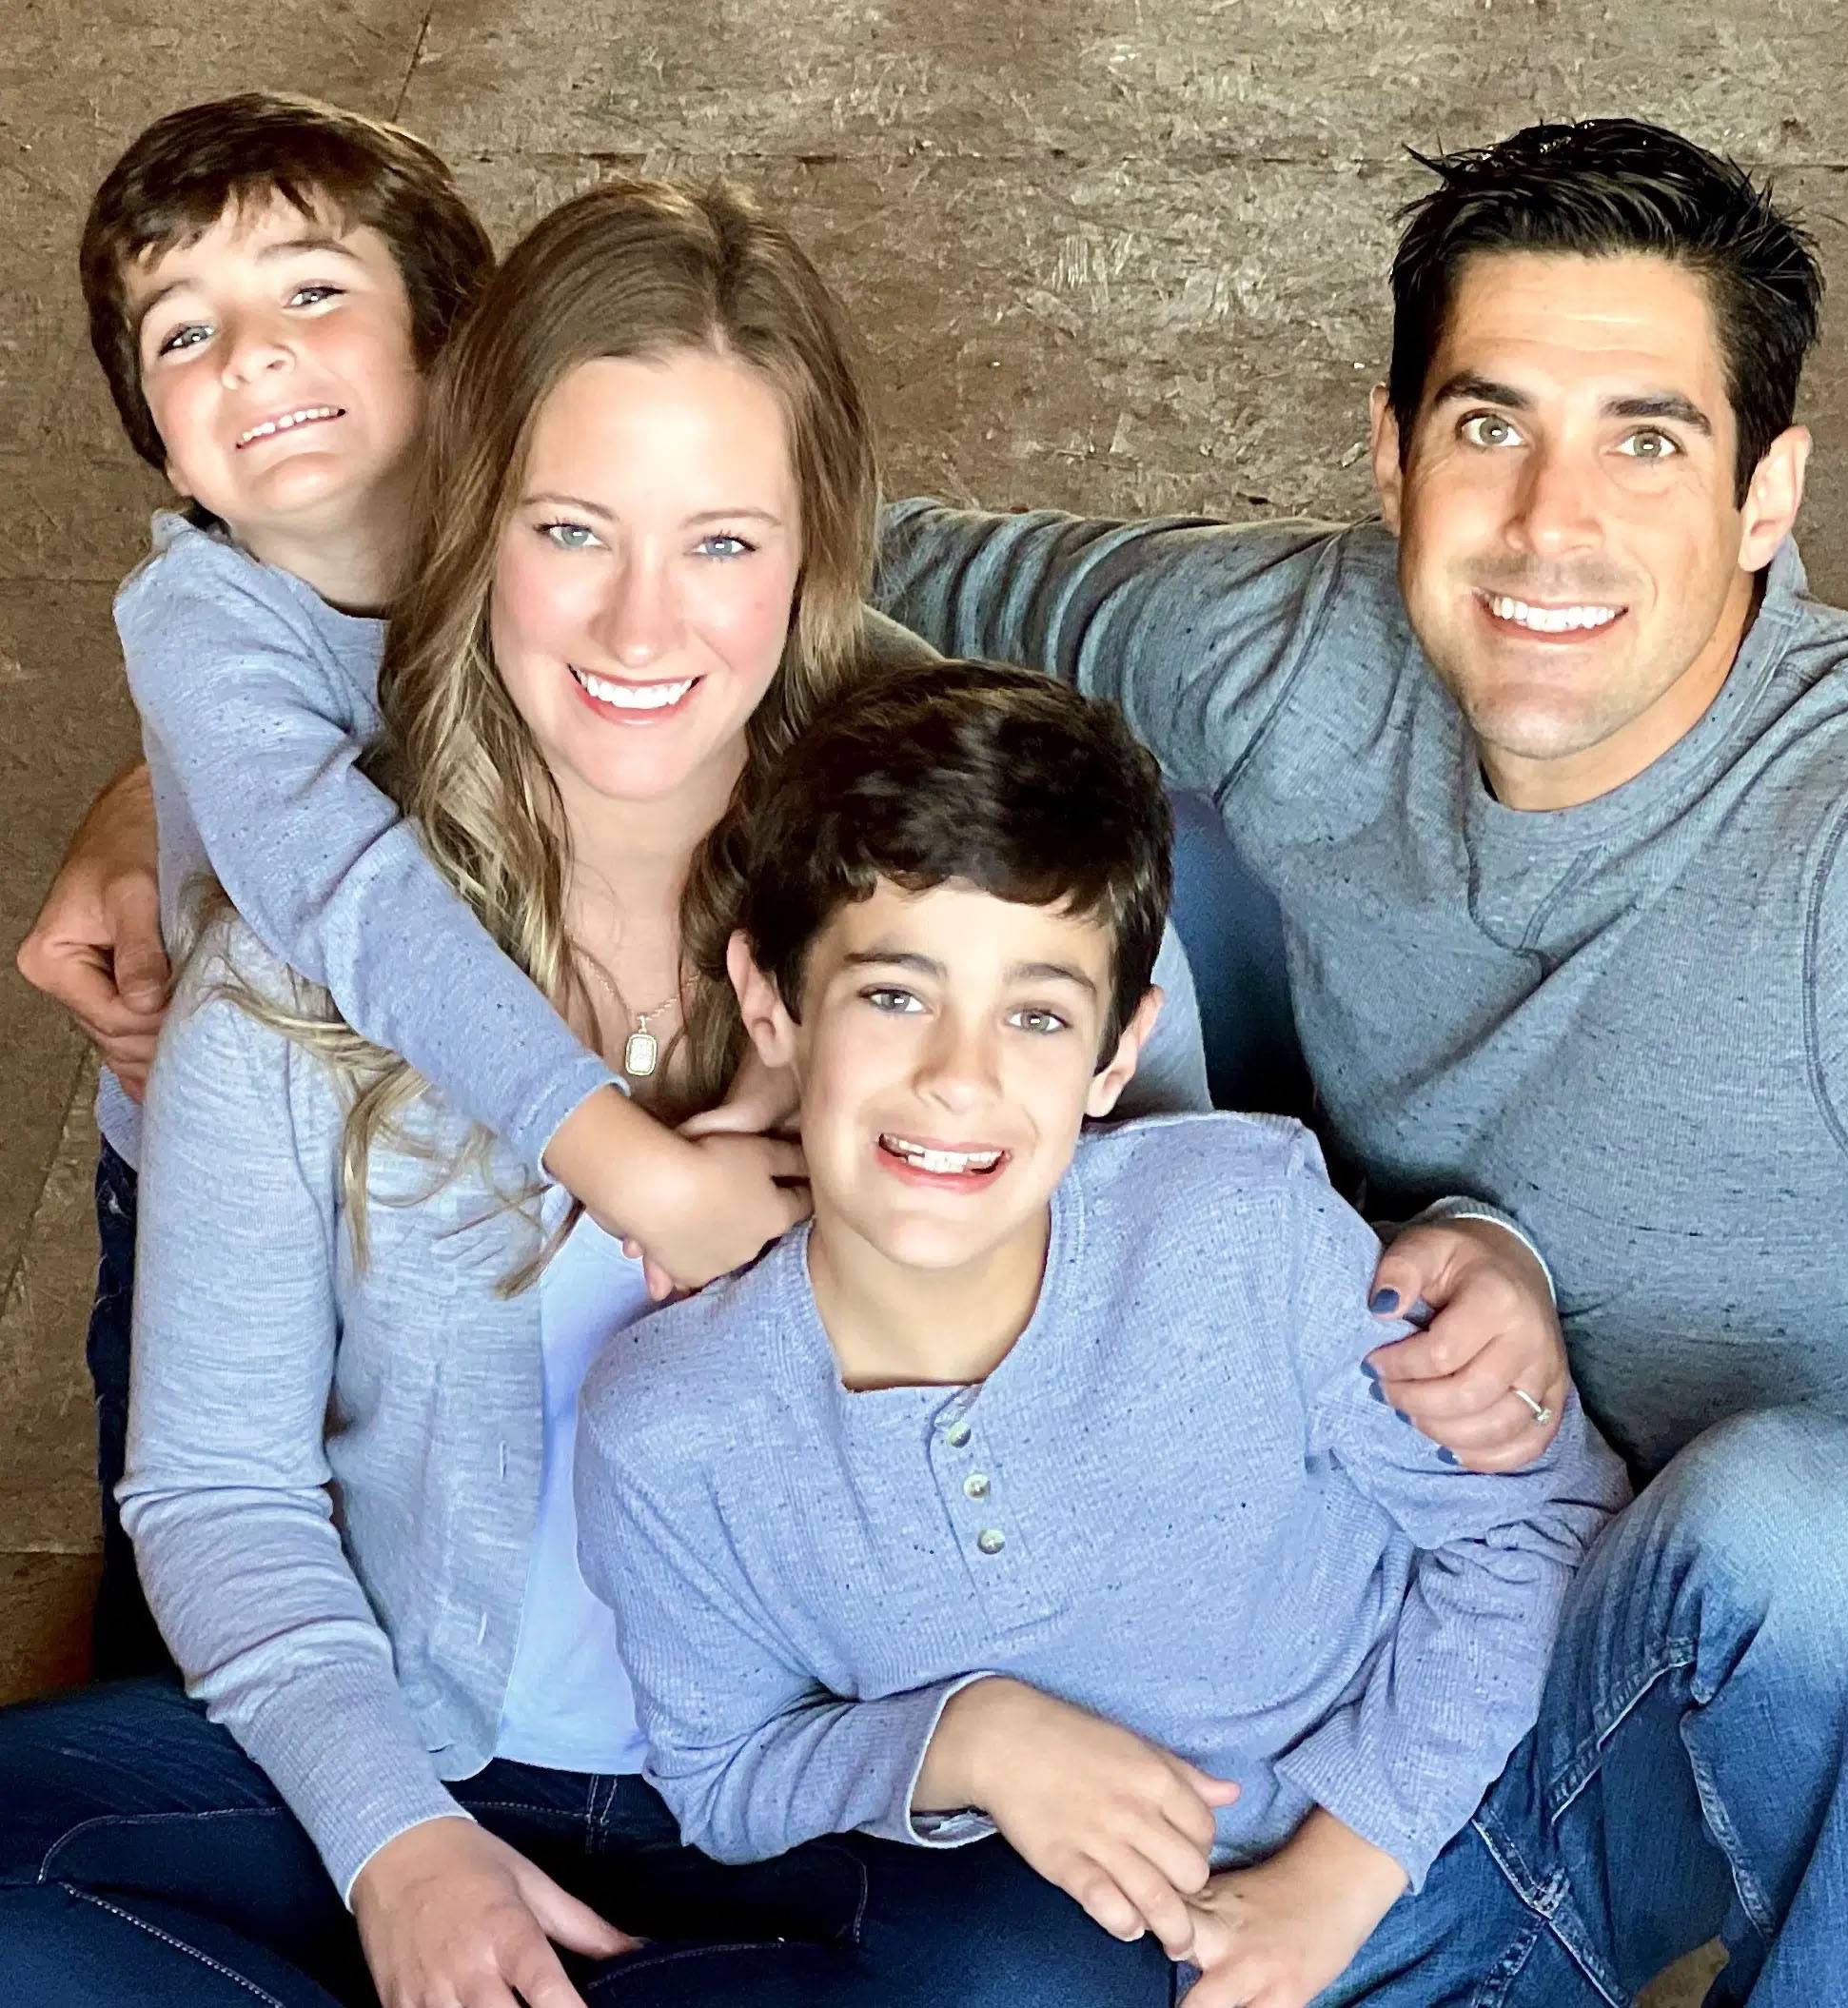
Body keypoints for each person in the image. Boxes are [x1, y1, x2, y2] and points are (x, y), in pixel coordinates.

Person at [0, 177, 1219, 2008]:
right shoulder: (303, 949)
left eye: (722, 542)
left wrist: (962, 1712)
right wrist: (400, 1848)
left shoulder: (990, 920)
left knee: (1061, 1973)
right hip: (430, 1749)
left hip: (836, 1795)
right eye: (572, 527)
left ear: (813, 554)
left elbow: (1177, 1345)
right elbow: (217, 1488)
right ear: (471, 520)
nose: (643, 624)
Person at [872, 117, 1848, 2002]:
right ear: (1394, 452)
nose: (1550, 526)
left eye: (1646, 438)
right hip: (1304, 1578)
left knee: (1808, 1536)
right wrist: (195, 779)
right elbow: (801, 551)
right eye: (1489, 427)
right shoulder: (1297, 649)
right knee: (1079, 814)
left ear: (1764, 490)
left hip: (1626, 1697)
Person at [574, 659, 1631, 2008]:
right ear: (772, 1000)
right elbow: (721, 1773)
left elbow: (1533, 1521)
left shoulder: (1237, 1224)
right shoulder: (674, 1427)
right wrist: (964, 1737)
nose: (959, 1080)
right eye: (894, 995)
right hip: (1150, 1961)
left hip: (1470, 1825)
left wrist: (1341, 1869)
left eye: (1034, 1016)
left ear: (1118, 1050)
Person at [47, 92, 804, 1675]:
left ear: (462, 346)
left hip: (453, 1117)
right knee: (197, 1522)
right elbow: (347, 896)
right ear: (156, 438)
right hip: (238, 1142)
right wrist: (632, 1164)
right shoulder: (198, 617)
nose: (250, 357)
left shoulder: (538, 546)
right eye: (182, 335)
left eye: (312, 292)